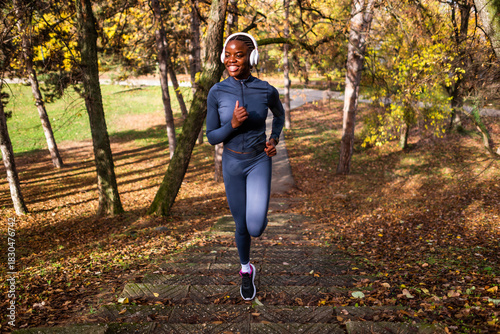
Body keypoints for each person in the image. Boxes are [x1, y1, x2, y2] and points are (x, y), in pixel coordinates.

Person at [206, 32, 285, 300]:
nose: (232, 60)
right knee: (240, 225)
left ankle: (257, 214)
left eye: (238, 55)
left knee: (255, 227)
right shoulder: (217, 92)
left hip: (258, 160)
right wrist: (233, 125)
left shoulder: (265, 89)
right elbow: (211, 137)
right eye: (227, 55)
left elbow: (280, 115)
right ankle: (246, 270)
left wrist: (273, 139)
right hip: (232, 163)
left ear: (251, 57)